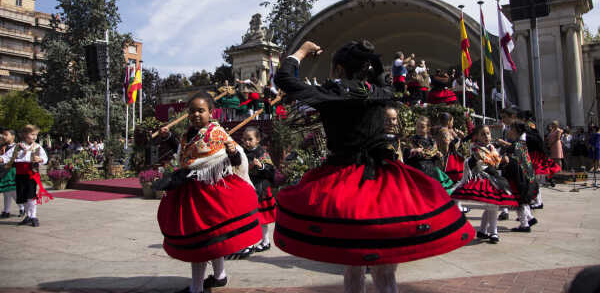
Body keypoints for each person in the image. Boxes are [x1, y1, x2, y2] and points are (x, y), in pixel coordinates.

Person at [274, 40, 474, 293]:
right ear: (366, 68)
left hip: (344, 182)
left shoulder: (331, 94)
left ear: (337, 69)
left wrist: (301, 52)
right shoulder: (379, 93)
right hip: (386, 181)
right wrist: (375, 61)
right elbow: (390, 84)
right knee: (386, 267)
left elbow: (284, 80)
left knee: (353, 264)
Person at [154, 91, 261, 293]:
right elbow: (183, 153)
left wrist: (232, 153)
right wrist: (169, 138)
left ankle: (196, 288)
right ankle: (219, 276)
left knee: (203, 240)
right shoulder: (188, 135)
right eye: (192, 111)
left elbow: (235, 161)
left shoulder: (218, 133)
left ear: (211, 112)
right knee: (212, 239)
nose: (196, 114)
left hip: (211, 194)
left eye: (200, 110)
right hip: (192, 192)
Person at [451, 125, 518, 244]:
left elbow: (496, 163)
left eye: (488, 133)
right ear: (477, 137)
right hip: (483, 178)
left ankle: (483, 230)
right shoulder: (475, 148)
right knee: (492, 206)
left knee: (491, 206)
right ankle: (493, 232)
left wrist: (503, 161)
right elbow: (470, 163)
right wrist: (474, 159)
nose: (486, 136)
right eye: (483, 134)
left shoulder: (492, 147)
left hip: (494, 178)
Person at [0, 125, 52, 227]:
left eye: (36, 135)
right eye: (32, 134)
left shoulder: (37, 147)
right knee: (22, 196)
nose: (34, 137)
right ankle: (28, 216)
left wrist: (40, 159)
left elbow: (44, 158)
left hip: (31, 174)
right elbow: (6, 157)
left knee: (31, 196)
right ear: (24, 135)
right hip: (19, 175)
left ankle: (33, 216)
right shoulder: (17, 147)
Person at [241, 126, 276, 252]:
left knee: (261, 218)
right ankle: (250, 243)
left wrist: (261, 166)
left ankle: (264, 241)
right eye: (244, 139)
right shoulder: (242, 153)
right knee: (249, 217)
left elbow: (271, 171)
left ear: (258, 140)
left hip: (260, 189)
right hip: (248, 188)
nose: (247, 142)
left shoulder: (262, 153)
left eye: (250, 139)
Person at [500, 121, 539, 233]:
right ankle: (530, 218)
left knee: (519, 202)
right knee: (521, 201)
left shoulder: (516, 146)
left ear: (516, 131)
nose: (508, 131)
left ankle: (524, 224)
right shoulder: (520, 144)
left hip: (519, 179)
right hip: (526, 177)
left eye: (510, 129)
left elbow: (513, 162)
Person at [404, 116, 455, 194]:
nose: (419, 129)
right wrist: (413, 151)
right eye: (418, 127)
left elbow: (433, 154)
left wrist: (438, 156)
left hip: (431, 170)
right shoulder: (412, 140)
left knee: (435, 192)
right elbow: (405, 154)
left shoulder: (432, 141)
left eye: (422, 127)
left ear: (428, 128)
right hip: (417, 168)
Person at [0, 129, 24, 218]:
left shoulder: (17, 146)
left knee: (13, 191)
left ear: (13, 136)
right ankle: (6, 211)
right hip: (4, 170)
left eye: (6, 135)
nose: (4, 136)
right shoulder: (3, 146)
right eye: (3, 135)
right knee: (6, 192)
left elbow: (9, 158)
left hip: (12, 170)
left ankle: (22, 208)